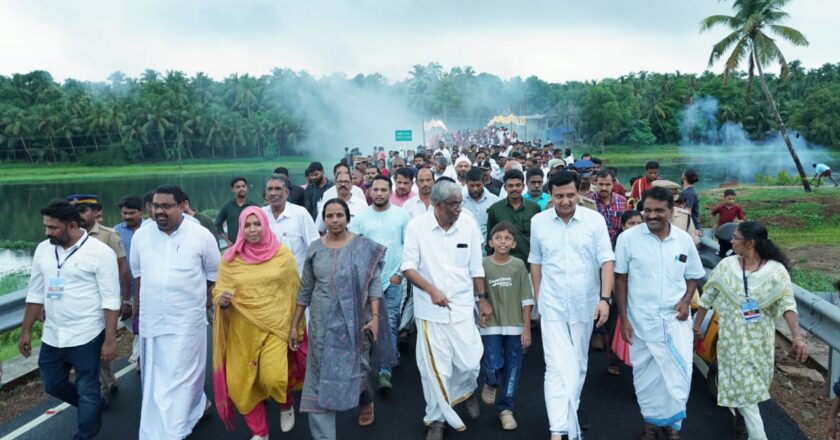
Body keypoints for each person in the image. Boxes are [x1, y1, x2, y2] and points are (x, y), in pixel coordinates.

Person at [290, 198, 394, 439]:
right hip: (321, 323)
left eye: (339, 215)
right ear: (323, 219)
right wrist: (295, 325)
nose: (335, 220)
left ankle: (364, 398)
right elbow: (305, 289)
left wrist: (376, 317)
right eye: (330, 216)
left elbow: (375, 284)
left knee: (357, 371)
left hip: (356, 322)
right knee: (319, 375)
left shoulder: (363, 246)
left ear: (347, 218)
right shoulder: (315, 248)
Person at [694, 221, 807, 439]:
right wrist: (696, 326)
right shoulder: (727, 266)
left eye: (736, 238)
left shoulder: (776, 271)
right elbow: (708, 296)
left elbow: (787, 304)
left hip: (760, 342)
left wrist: (797, 337)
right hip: (731, 341)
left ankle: (740, 415)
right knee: (747, 394)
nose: (731, 241)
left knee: (753, 390)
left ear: (750, 242)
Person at [19, 200, 119, 440]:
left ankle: (84, 432)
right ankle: (92, 406)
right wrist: (25, 331)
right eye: (46, 226)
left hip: (87, 334)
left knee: (87, 387)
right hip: (53, 334)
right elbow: (35, 292)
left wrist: (109, 340)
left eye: (53, 228)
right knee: (52, 385)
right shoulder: (44, 249)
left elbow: (111, 300)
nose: (47, 232)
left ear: (72, 225)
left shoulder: (100, 253)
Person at [401, 179, 491, 440]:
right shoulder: (417, 227)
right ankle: (437, 421)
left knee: (470, 361)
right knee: (435, 369)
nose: (459, 209)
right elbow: (408, 267)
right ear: (438, 206)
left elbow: (476, 267)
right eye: (453, 204)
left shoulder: (469, 224)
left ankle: (466, 390)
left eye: (460, 203)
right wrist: (432, 290)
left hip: (463, 307)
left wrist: (482, 299)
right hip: (430, 311)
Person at [529, 171, 615, 440]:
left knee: (577, 363)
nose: (565, 201)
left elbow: (606, 262)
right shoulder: (539, 222)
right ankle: (558, 430)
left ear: (579, 192)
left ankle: (569, 414)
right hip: (552, 304)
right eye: (558, 196)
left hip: (585, 304)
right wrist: (538, 298)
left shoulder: (594, 221)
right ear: (550, 195)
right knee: (554, 365)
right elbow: (536, 261)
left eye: (569, 195)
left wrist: (605, 299)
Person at [614, 186, 705, 440]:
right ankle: (650, 427)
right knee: (646, 378)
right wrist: (623, 319)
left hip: (675, 322)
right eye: (648, 210)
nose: (652, 215)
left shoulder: (683, 239)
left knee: (677, 375)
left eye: (658, 211)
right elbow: (620, 279)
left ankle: (674, 427)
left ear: (671, 211)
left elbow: (694, 276)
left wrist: (687, 301)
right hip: (640, 320)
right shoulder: (628, 239)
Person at [130, 184, 221, 439]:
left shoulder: (200, 235)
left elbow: (214, 275)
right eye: (155, 206)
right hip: (152, 319)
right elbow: (138, 277)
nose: (159, 211)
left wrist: (202, 304)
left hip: (187, 320)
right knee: (157, 376)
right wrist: (136, 311)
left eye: (166, 206)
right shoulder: (141, 236)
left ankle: (175, 430)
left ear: (181, 206)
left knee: (183, 376)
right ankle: (196, 407)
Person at [212, 207, 302, 440]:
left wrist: (295, 327)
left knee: (274, 377)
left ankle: (285, 403)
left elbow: (294, 291)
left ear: (265, 225)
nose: (252, 229)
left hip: (275, 326)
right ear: (241, 228)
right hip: (242, 332)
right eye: (248, 225)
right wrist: (221, 301)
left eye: (257, 224)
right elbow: (219, 290)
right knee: (240, 384)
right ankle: (260, 432)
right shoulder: (230, 258)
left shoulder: (282, 255)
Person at [67, 194, 130, 408]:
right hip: (79, 304)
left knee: (101, 345)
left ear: (95, 213)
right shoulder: (67, 237)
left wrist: (125, 299)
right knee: (87, 350)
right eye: (75, 211)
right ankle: (104, 385)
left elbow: (122, 268)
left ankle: (103, 387)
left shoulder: (109, 236)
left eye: (84, 210)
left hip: (104, 303)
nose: (79, 215)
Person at [349, 175, 411, 393]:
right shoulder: (360, 218)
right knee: (369, 324)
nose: (379, 194)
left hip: (393, 279)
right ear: (369, 191)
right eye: (375, 189)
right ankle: (377, 362)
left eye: (384, 190)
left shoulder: (402, 216)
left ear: (390, 191)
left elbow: (409, 246)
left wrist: (400, 274)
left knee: (390, 323)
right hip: (368, 282)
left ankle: (385, 371)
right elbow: (355, 249)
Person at [479, 222, 534, 431]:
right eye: (498, 237)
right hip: (490, 325)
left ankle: (506, 409)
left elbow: (526, 298)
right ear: (491, 242)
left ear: (514, 243)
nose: (503, 241)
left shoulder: (519, 265)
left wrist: (527, 328)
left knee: (513, 367)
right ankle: (491, 382)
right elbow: (477, 293)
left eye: (507, 238)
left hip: (515, 326)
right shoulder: (482, 264)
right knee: (492, 364)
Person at [608, 210, 644, 375]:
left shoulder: (648, 244)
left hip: (640, 296)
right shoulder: (616, 246)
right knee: (615, 325)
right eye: (631, 223)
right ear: (623, 226)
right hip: (619, 295)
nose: (635, 227)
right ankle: (613, 360)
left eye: (639, 223)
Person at [485, 169, 541, 267]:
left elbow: (539, 237)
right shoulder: (495, 209)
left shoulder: (534, 208)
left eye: (518, 185)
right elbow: (490, 239)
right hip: (502, 265)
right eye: (510, 185)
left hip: (529, 264)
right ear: (505, 187)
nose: (514, 188)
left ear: (523, 187)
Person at [114, 195, 144, 370]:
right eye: (124, 213)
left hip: (147, 288)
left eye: (131, 213)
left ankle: (140, 359)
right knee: (132, 323)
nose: (127, 216)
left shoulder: (151, 228)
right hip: (125, 289)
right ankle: (141, 354)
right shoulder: (115, 232)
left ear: (141, 212)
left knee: (142, 324)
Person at [587, 171, 628, 247]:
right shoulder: (587, 201)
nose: (604, 188)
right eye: (601, 184)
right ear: (595, 183)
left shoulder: (622, 200)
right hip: (594, 245)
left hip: (618, 244)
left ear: (613, 184)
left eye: (607, 184)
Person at [215, 177, 259, 247]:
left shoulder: (255, 207)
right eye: (238, 187)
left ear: (247, 188)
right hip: (234, 246)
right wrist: (227, 241)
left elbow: (263, 225)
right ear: (233, 189)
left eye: (243, 186)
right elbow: (217, 225)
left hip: (252, 246)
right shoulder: (227, 207)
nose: (241, 188)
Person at [462, 167, 500, 243]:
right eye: (472, 186)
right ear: (466, 183)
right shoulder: (460, 202)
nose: (475, 189)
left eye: (478, 185)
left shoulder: (495, 201)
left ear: (484, 183)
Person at [711, 189, 746, 256]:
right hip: (722, 230)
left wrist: (738, 221)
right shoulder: (720, 208)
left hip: (732, 231)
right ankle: (722, 254)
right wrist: (714, 225)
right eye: (729, 199)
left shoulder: (737, 208)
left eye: (733, 199)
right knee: (722, 244)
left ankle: (733, 255)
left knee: (732, 244)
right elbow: (713, 214)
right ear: (724, 198)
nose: (731, 200)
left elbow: (743, 219)